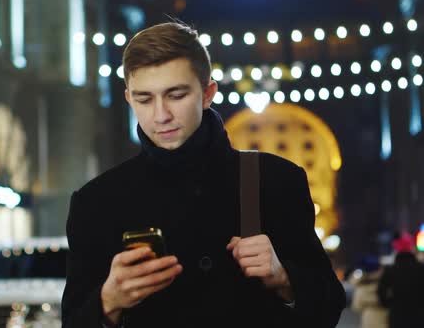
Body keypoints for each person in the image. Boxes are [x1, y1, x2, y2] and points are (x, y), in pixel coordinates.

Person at [62, 22, 345, 327]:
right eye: (145, 99)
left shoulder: (276, 180)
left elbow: (330, 307)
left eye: (176, 95)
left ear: (208, 93)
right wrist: (108, 302)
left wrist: (283, 278)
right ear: (129, 99)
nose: (161, 115)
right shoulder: (97, 201)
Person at [377, 232, 424, 328]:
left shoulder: (391, 270)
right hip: (419, 316)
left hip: (397, 315)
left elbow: (381, 291)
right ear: (411, 248)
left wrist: (389, 304)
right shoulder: (421, 269)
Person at [351, 256, 389, 328]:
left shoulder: (361, 288)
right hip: (384, 318)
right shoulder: (386, 284)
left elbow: (356, 306)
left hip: (368, 318)